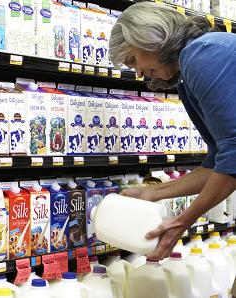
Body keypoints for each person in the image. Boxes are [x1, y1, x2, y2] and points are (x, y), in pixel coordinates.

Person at [109, 2, 236, 262]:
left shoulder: (203, 55)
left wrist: (181, 222)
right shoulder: (187, 74)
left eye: (134, 61)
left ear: (152, 37)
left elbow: (234, 155)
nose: (139, 72)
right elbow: (216, 163)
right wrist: (152, 193)